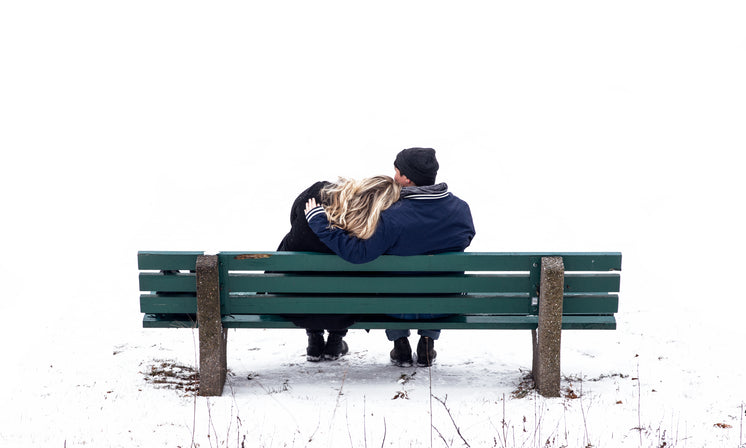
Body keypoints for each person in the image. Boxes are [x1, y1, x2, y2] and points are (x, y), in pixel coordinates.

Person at [305, 147, 475, 367]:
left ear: (406, 178)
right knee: (438, 277)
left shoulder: (391, 216)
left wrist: (321, 223)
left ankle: (400, 343)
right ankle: (427, 341)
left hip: (397, 307)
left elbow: (358, 253)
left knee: (390, 279)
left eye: (396, 172)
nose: (394, 177)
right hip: (442, 305)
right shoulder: (461, 210)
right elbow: (466, 238)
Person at [278, 176, 401, 361]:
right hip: (343, 312)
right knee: (349, 279)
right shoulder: (369, 230)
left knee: (305, 270)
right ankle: (335, 340)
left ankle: (314, 338)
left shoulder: (316, 195)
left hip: (296, 305)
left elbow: (293, 219)